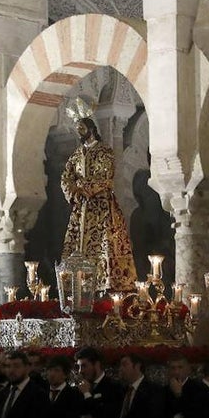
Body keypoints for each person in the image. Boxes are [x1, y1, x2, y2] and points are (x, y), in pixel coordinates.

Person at [59, 98, 137, 292]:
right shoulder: (76, 155)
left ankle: (107, 286)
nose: (79, 132)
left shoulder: (105, 152)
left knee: (105, 245)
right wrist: (73, 191)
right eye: (77, 129)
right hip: (80, 209)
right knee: (77, 247)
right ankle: (77, 290)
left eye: (82, 129)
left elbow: (105, 177)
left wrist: (81, 186)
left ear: (91, 129)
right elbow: (65, 177)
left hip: (101, 208)